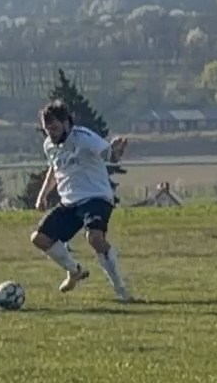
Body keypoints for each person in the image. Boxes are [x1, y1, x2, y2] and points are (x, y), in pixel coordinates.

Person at [31, 102, 137, 299]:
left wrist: (116, 150)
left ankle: (120, 289)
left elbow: (109, 154)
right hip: (69, 203)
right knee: (39, 238)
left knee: (95, 238)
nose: (51, 134)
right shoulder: (49, 145)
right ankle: (74, 270)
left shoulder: (84, 137)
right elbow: (54, 169)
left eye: (54, 128)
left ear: (66, 123)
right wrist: (43, 195)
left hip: (95, 196)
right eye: (47, 130)